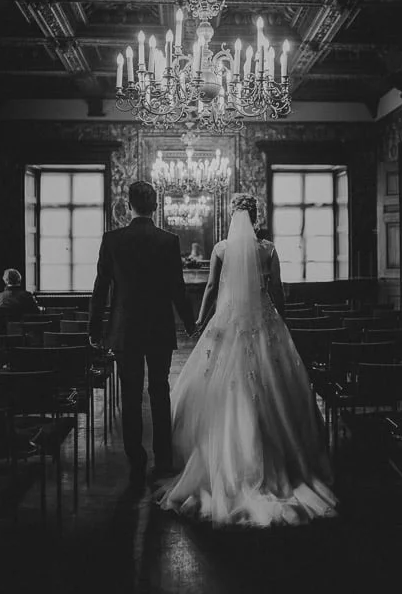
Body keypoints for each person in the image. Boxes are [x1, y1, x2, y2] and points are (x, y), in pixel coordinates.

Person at [155, 193, 337, 527]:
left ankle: (228, 462)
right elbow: (278, 291)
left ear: (232, 217)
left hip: (228, 320)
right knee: (274, 388)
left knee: (224, 388)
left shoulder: (221, 249)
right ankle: (277, 459)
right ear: (255, 216)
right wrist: (279, 321)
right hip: (263, 322)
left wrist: (198, 321)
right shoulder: (267, 249)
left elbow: (211, 287)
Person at [89, 181, 196, 487]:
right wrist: (189, 324)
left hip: (125, 328)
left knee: (131, 394)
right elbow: (177, 287)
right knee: (160, 392)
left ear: (129, 205)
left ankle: (136, 460)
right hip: (159, 326)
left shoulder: (112, 240)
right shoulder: (168, 240)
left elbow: (101, 288)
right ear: (156, 206)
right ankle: (163, 458)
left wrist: (95, 328)